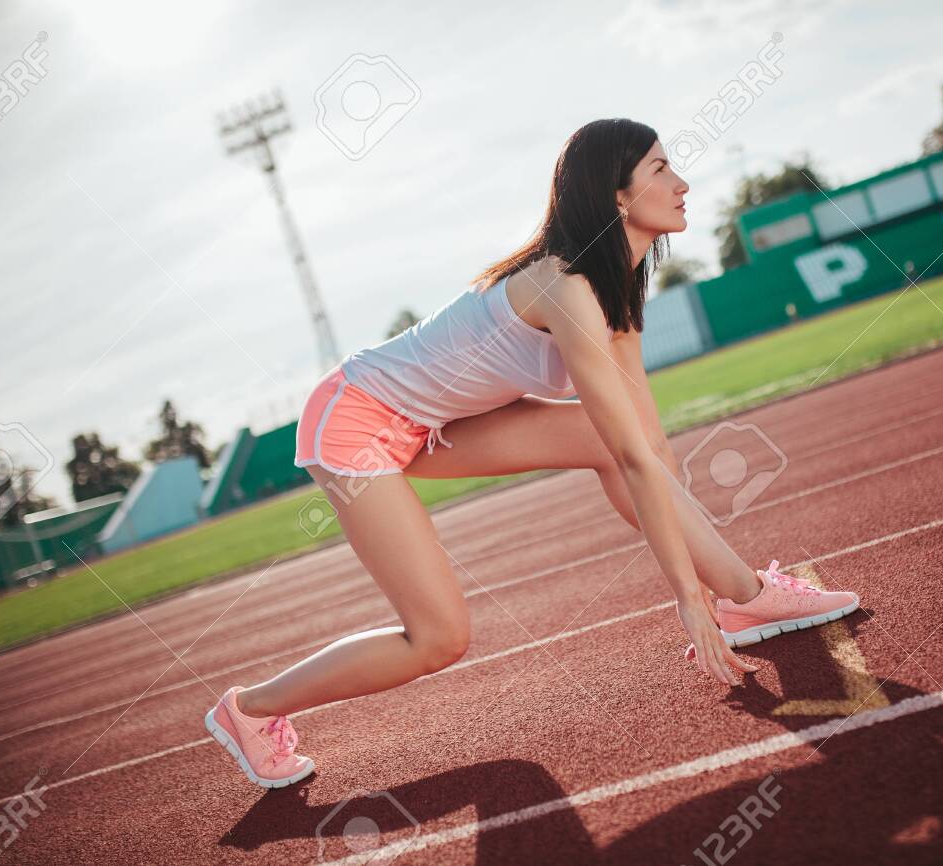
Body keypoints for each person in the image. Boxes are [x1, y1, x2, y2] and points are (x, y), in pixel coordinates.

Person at [203, 118, 860, 788]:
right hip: (356, 421)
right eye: (662, 169)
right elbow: (635, 459)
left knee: (614, 444)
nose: (683, 183)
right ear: (617, 196)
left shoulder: (618, 285)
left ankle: (746, 598)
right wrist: (687, 597)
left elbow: (647, 446)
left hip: (434, 423)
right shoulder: (564, 287)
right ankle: (249, 709)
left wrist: (709, 581)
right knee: (438, 638)